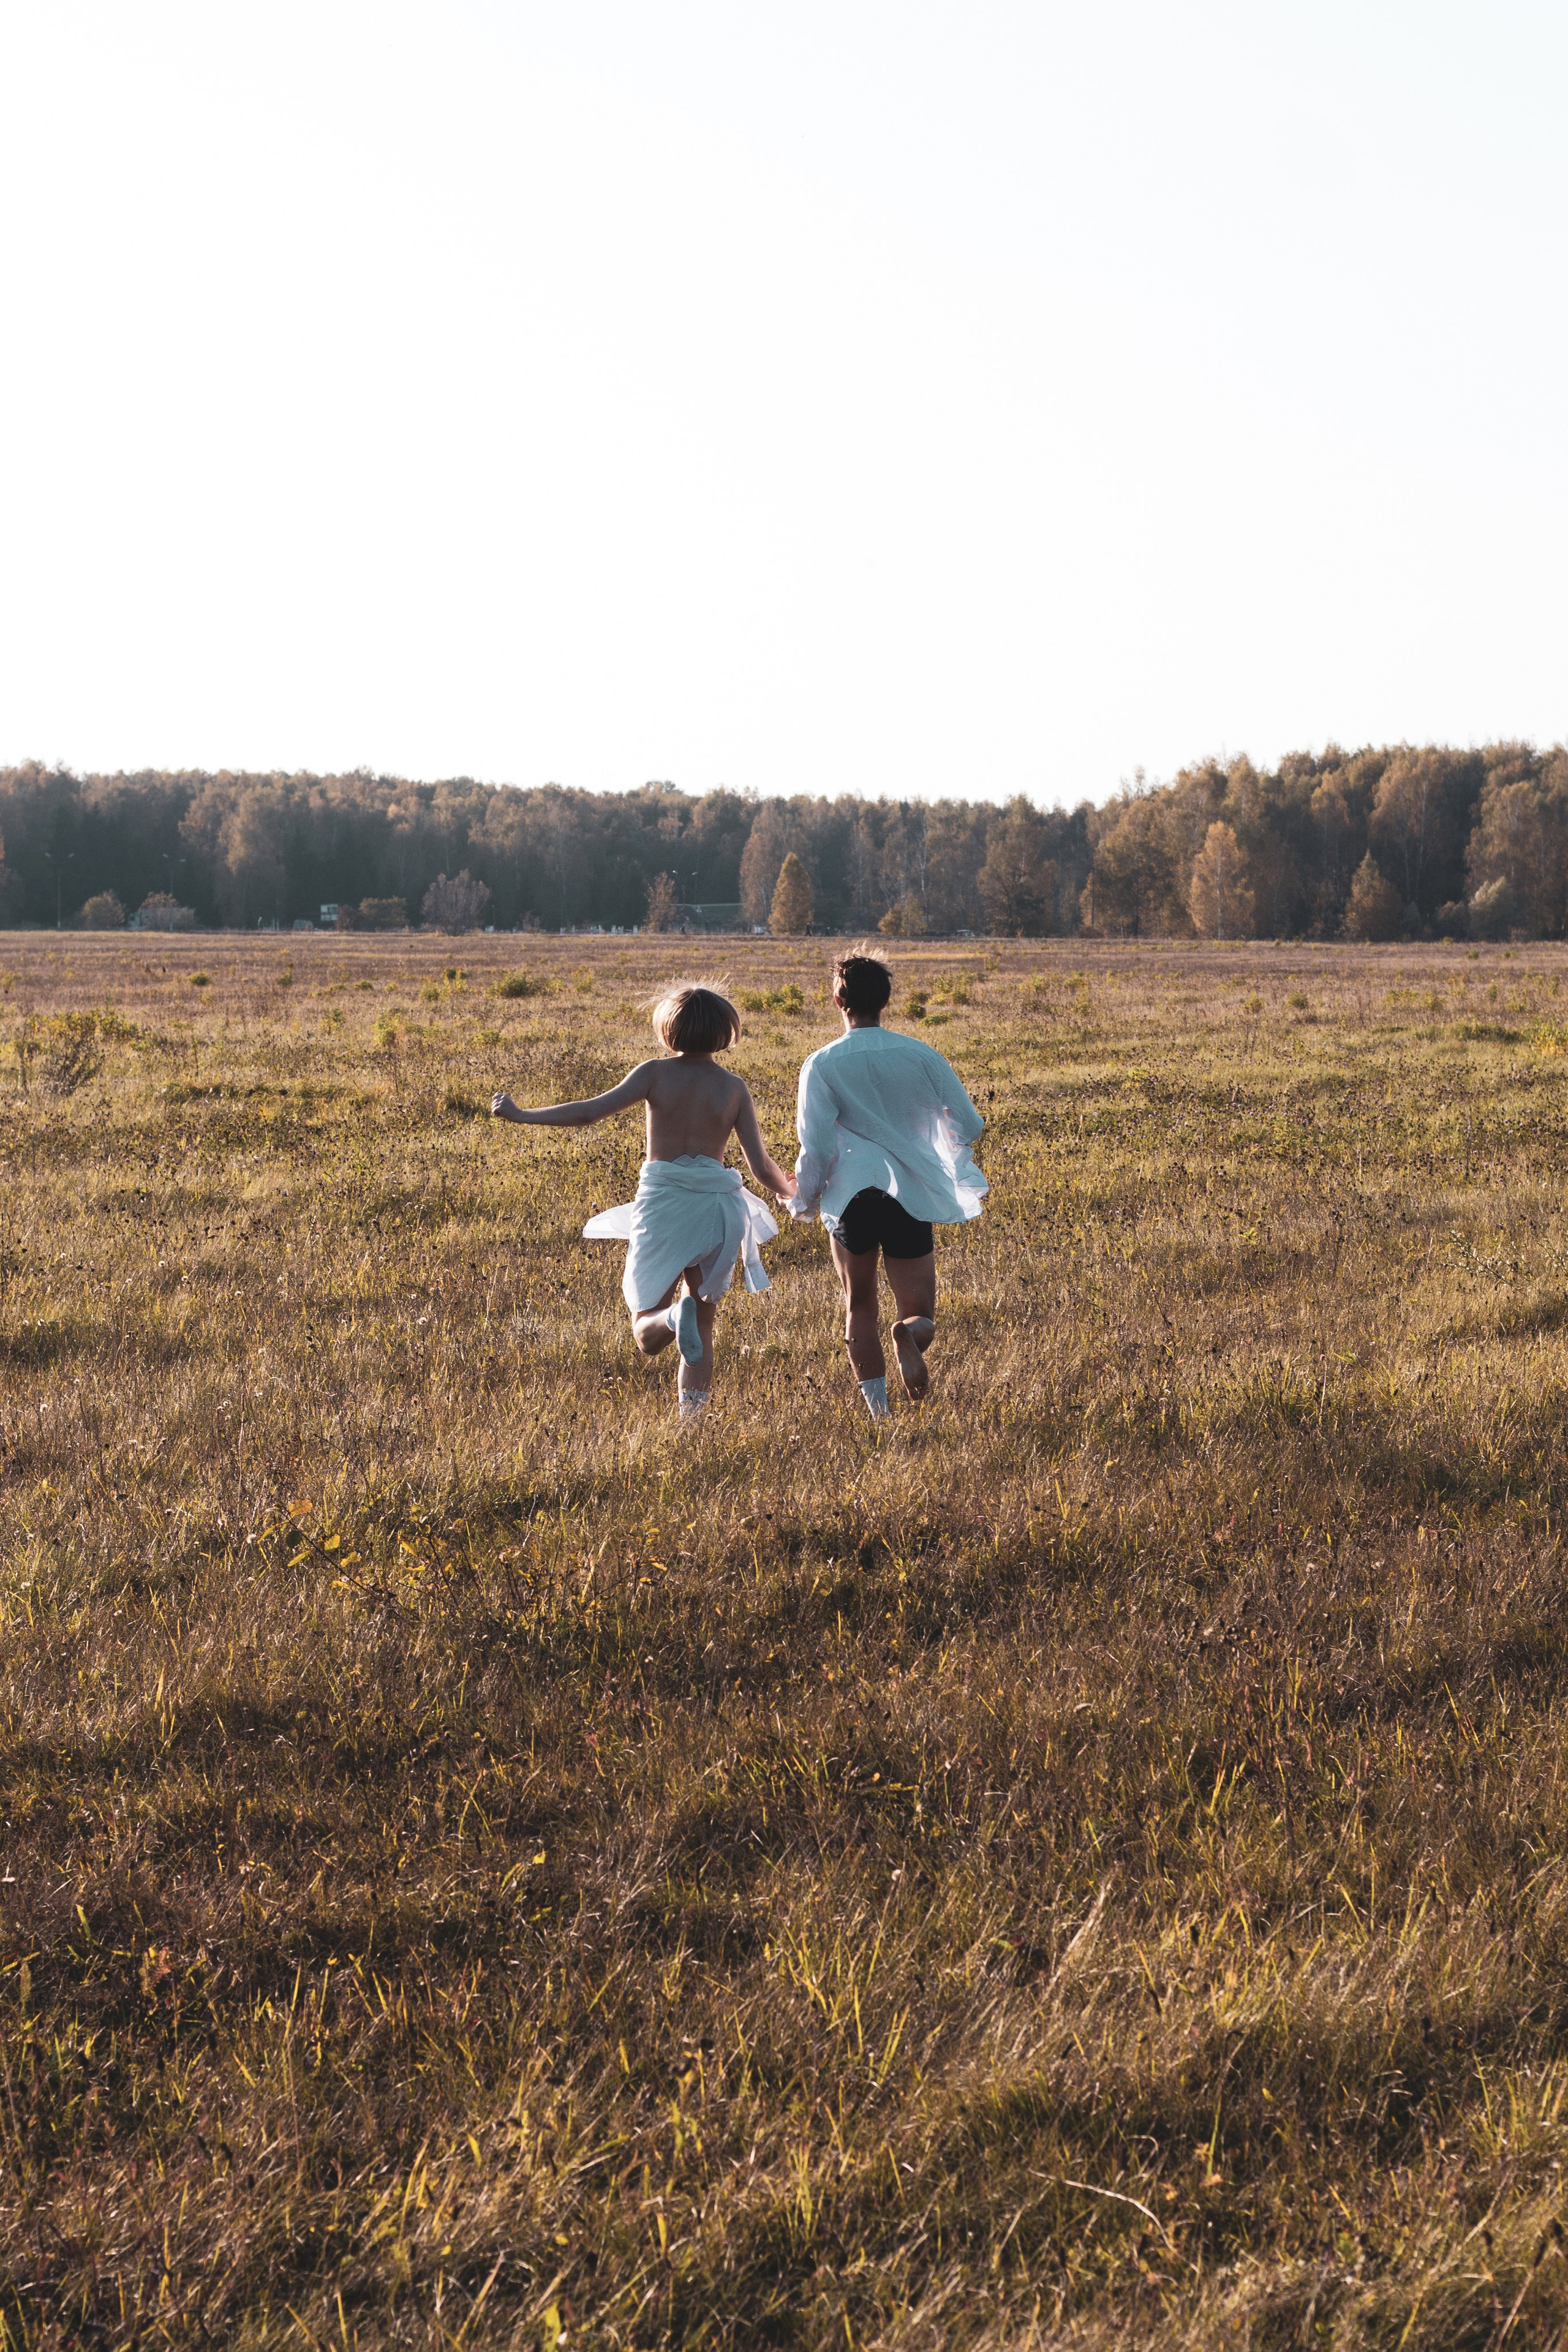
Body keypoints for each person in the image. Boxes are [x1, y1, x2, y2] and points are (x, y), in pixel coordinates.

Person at [491, 982, 794, 1422]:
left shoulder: (654, 1073)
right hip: (720, 1209)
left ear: (669, 1031)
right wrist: (796, 1193)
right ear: (725, 1032)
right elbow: (763, 1168)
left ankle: (671, 1319)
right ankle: (692, 1423)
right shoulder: (733, 1088)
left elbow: (588, 1112)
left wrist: (523, 1114)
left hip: (666, 1205)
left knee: (646, 1330)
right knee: (704, 1325)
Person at [791, 949, 986, 1420]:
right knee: (919, 1310)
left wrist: (805, 1200)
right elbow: (970, 1123)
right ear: (887, 1000)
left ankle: (879, 1413)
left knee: (859, 1302)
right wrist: (939, 1145)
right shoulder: (921, 1054)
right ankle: (909, 1336)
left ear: (839, 1000)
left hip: (850, 1195)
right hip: (912, 1193)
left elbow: (815, 1145)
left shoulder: (821, 1063)